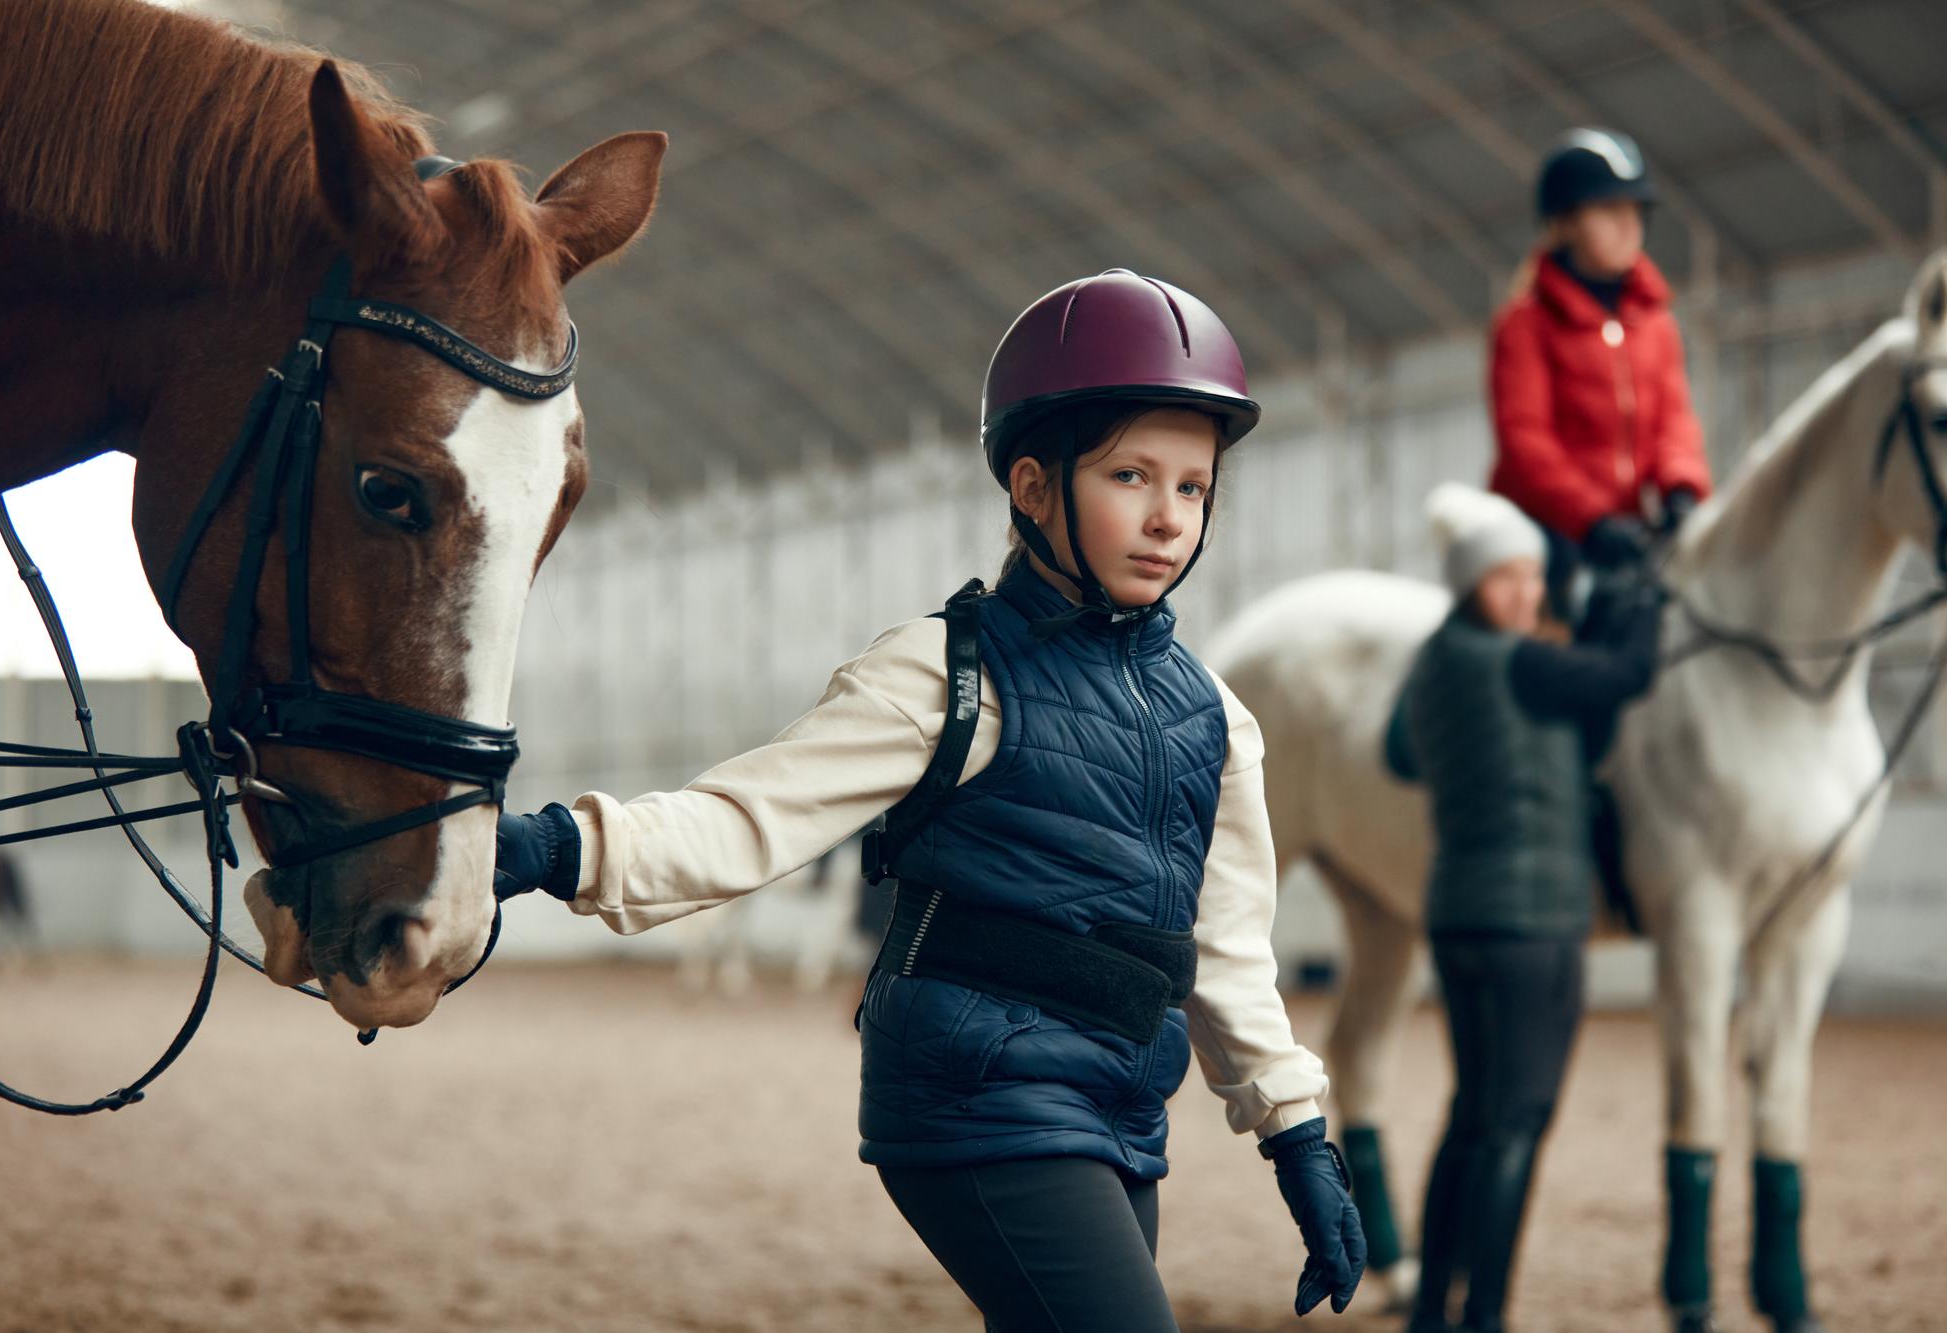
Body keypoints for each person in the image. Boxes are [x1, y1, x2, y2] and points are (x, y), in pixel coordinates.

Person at [493, 269, 1366, 1331]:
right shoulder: (938, 676)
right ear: (1033, 487)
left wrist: (1296, 1137)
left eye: (1192, 486)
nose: (1166, 518)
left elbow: (1223, 952)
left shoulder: (1218, 721)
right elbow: (744, 819)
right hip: (974, 1089)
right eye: (1130, 475)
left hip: (1120, 1103)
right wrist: (547, 847)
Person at [1388, 483, 1662, 1333]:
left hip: (1459, 916)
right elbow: (1630, 673)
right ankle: (1486, 1317)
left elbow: (1399, 753)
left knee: (1471, 1115)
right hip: (1533, 925)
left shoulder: (1434, 661)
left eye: (1533, 578)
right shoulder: (1522, 661)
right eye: (1506, 579)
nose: (1528, 594)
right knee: (1516, 1125)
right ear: (1473, 582)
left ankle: (1434, 1308)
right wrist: (1641, 596)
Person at [1489, 127, 1711, 623]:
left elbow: (1676, 419)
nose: (1629, 226)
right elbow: (1526, 445)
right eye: (1610, 211)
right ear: (1564, 223)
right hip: (1552, 530)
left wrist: (1681, 488)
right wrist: (1591, 522)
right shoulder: (1523, 326)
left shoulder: (1656, 323)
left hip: (1630, 528)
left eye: (1635, 212)